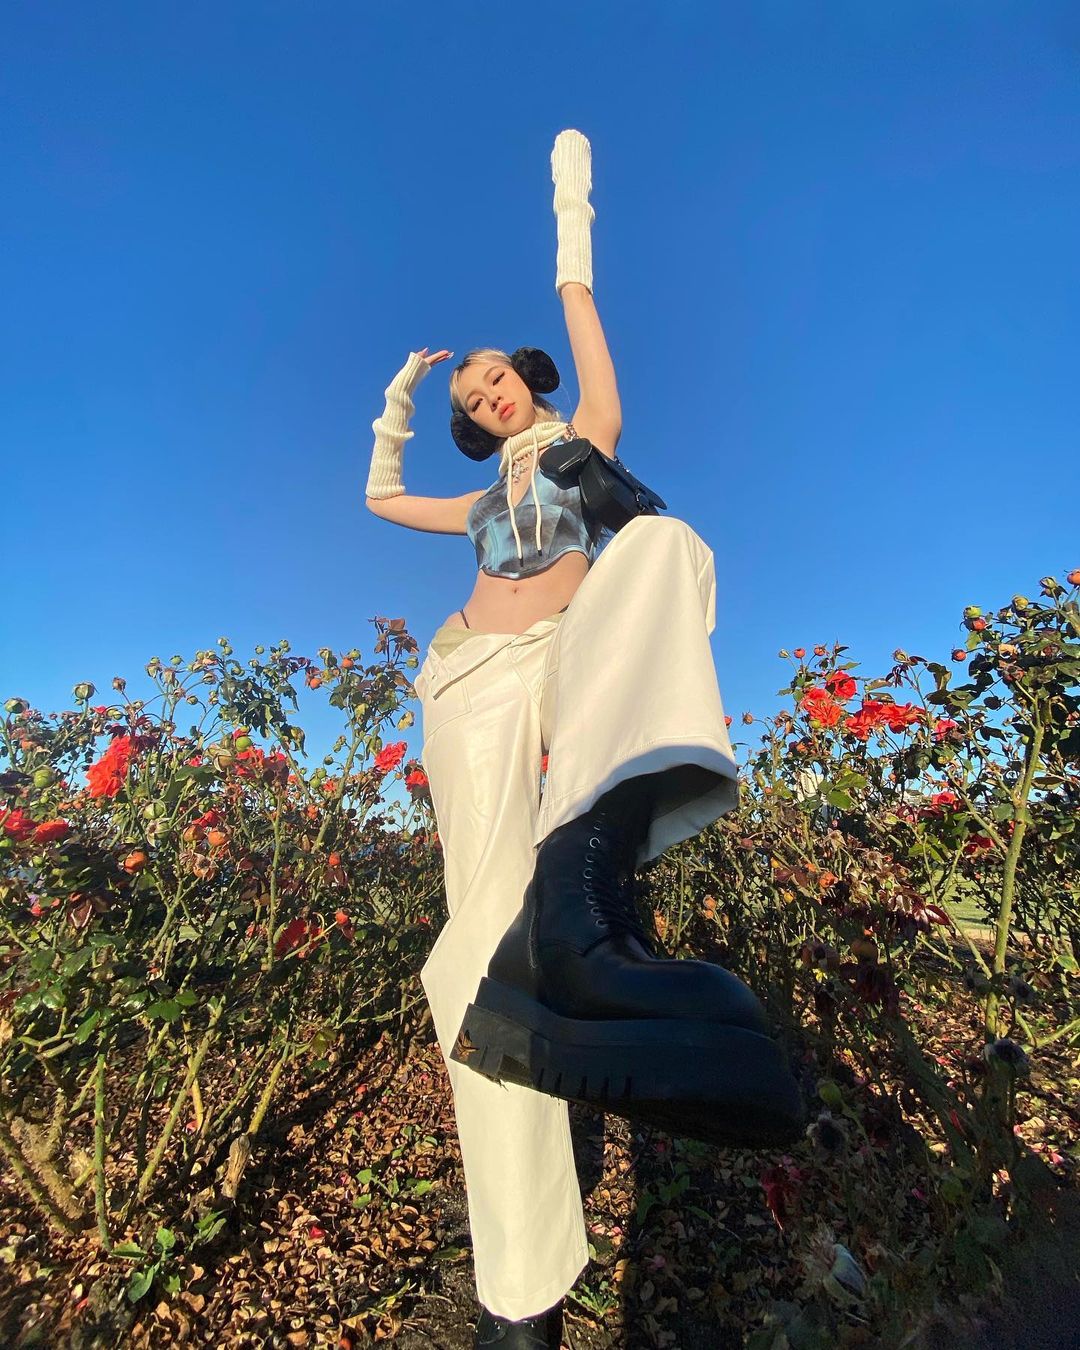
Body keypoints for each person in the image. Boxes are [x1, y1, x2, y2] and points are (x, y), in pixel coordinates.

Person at [364, 130, 802, 1350]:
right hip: (471, 685)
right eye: (468, 398)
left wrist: (571, 210)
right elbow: (378, 497)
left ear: (525, 374)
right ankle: (521, 1299)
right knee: (478, 957)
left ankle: (584, 890)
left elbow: (583, 321)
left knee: (661, 545)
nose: (483, 395)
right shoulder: (478, 498)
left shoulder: (582, 438)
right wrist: (400, 398)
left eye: (491, 377)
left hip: (572, 656)